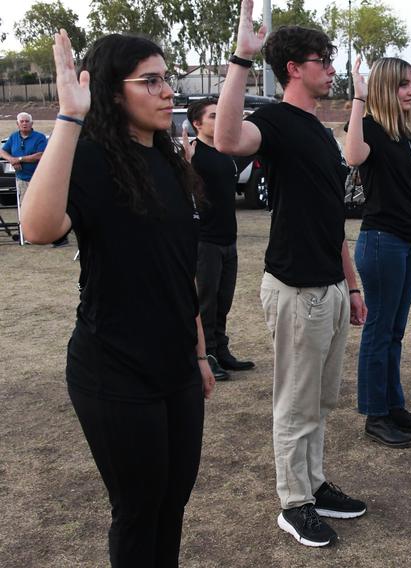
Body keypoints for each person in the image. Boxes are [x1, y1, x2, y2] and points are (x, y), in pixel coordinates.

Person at [20, 31, 216, 566]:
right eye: (149, 81)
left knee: (172, 502)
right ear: (112, 93)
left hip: (175, 364)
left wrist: (198, 353)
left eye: (166, 78)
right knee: (137, 508)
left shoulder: (171, 161)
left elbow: (178, 273)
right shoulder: (91, 159)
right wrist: (67, 117)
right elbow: (37, 228)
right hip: (114, 369)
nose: (166, 90)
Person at [215, 0, 367, 548]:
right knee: (296, 404)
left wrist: (350, 284)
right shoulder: (275, 121)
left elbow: (332, 221)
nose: (331, 66)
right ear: (293, 70)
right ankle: (293, 502)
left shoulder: (319, 131)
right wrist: (240, 58)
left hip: (327, 286)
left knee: (321, 403)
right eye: (321, 59)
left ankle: (315, 483)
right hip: (295, 290)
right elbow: (228, 140)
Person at [344, 55, 411, 448]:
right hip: (381, 242)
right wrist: (358, 99)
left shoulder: (400, 134)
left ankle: (393, 404)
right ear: (384, 88)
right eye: (403, 84)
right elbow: (352, 157)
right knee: (379, 330)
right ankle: (375, 415)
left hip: (407, 241)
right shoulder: (369, 128)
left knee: (394, 330)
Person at [185, 97, 255, 381]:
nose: (219, 120)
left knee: (223, 299)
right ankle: (207, 353)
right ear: (197, 124)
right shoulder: (193, 154)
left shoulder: (227, 151)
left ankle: (222, 350)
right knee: (206, 301)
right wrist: (184, 162)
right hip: (206, 240)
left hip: (229, 238)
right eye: (213, 116)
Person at [1, 112, 67, 247]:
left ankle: (59, 238)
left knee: (45, 208)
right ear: (17, 124)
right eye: (22, 121)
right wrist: (11, 159)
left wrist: (19, 159)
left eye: (27, 121)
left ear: (32, 124)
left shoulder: (40, 138)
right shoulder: (13, 137)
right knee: (26, 209)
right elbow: (2, 151)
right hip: (22, 179)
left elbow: (40, 155)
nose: (24, 123)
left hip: (40, 179)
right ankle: (28, 234)